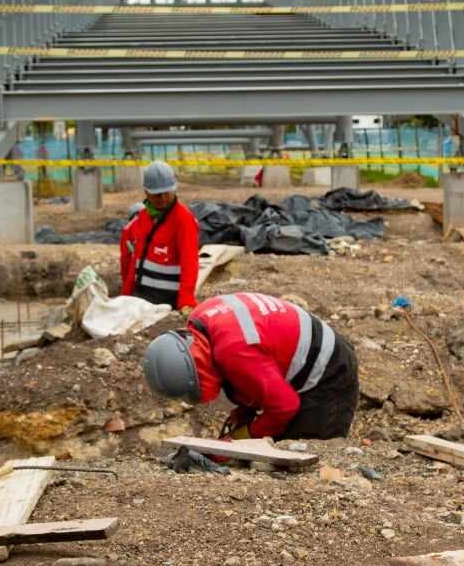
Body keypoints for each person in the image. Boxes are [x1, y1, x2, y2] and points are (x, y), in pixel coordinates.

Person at [142, 292, 359, 441]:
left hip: (330, 373)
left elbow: (285, 407)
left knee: (298, 452)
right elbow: (261, 358)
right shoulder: (201, 319)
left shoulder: (235, 351)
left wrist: (242, 440)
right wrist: (248, 408)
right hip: (313, 351)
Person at [119, 160, 200, 310]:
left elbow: (190, 264)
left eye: (166, 193)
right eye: (157, 195)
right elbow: (135, 261)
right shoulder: (143, 218)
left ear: (174, 189)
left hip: (168, 301)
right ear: (147, 193)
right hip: (141, 297)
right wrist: (126, 295)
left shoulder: (184, 219)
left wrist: (186, 302)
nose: (162, 199)